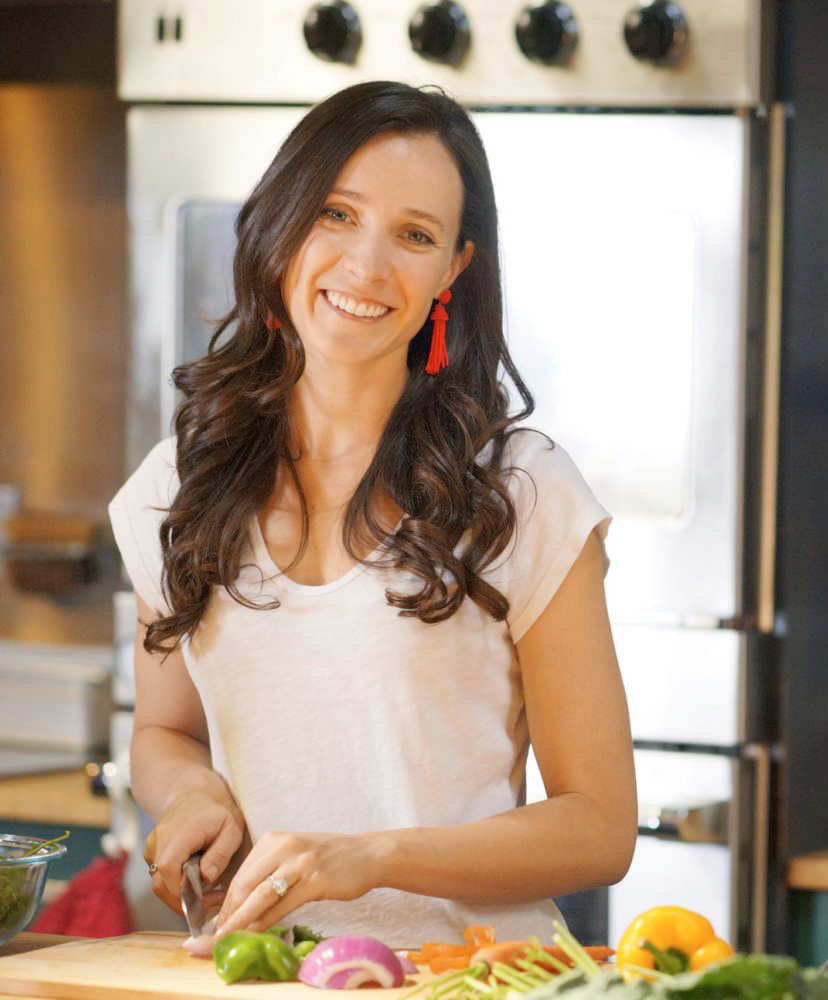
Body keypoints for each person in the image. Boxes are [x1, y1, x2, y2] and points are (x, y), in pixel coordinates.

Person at [109, 80, 637, 948]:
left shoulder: (521, 494)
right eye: (337, 214)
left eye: (415, 235)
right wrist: (193, 793)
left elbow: (600, 825)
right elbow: (165, 731)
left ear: (452, 272)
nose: (365, 265)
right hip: (266, 972)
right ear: (283, 221)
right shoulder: (180, 483)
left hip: (466, 977)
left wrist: (374, 857)